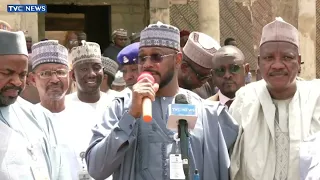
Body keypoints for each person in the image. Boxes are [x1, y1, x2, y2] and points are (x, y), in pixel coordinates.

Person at [85, 21, 238, 180]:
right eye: (142, 58)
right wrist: (130, 116)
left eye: (156, 57)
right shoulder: (121, 107)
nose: (147, 64)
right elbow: (96, 169)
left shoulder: (204, 112)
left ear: (177, 60)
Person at [229, 17, 320, 180]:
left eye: (287, 57)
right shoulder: (244, 101)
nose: (277, 65)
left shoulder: (316, 99)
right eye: (269, 58)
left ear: (299, 62)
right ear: (259, 62)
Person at [0, 30, 63, 179]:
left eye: (22, 74)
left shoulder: (39, 117)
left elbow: (59, 171)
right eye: (6, 73)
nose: (17, 82)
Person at [65, 41, 118, 179]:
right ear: (72, 76)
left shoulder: (116, 105)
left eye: (96, 67)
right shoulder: (63, 107)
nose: (92, 74)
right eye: (83, 69)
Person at [29, 40, 75, 179]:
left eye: (61, 72)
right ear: (32, 79)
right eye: (45, 73)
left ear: (70, 76)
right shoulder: (26, 120)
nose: (55, 79)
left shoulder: (87, 115)